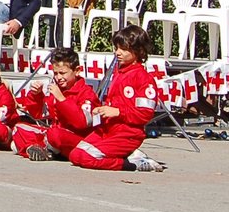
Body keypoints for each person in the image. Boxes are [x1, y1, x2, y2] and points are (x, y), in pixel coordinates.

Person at [61, 25, 165, 172]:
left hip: (127, 134)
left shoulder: (143, 78)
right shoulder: (118, 73)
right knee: (75, 155)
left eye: (123, 49)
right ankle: (130, 156)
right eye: (116, 48)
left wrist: (118, 112)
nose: (117, 53)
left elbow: (145, 113)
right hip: (108, 129)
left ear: (139, 50)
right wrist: (101, 110)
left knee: (86, 158)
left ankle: (133, 165)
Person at [12, 47, 99, 161]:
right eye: (55, 73)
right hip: (54, 135)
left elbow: (82, 122)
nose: (58, 78)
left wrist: (62, 100)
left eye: (62, 73)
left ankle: (42, 148)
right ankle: (34, 149)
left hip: (78, 140)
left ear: (77, 70)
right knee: (19, 127)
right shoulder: (57, 89)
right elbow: (39, 114)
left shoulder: (87, 93)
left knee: (55, 134)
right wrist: (36, 95)